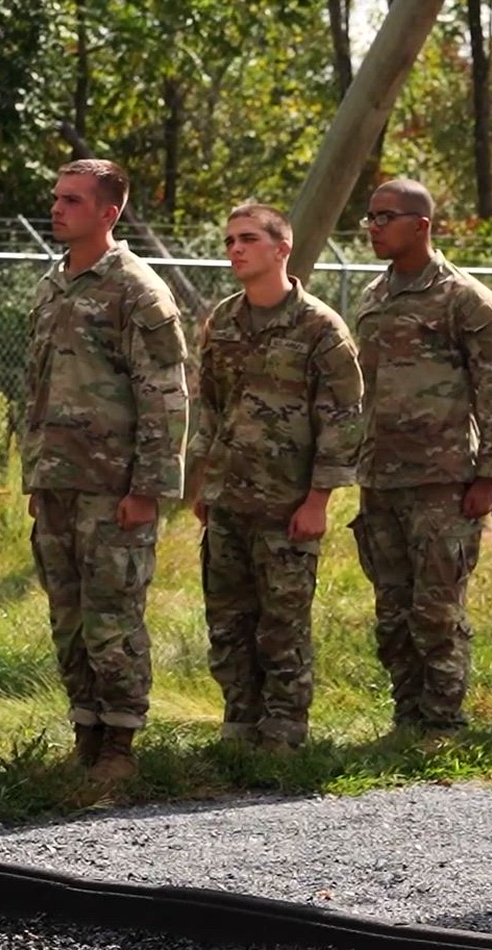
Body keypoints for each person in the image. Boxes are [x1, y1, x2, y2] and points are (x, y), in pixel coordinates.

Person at [23, 160, 190, 791]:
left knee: (113, 615)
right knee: (67, 615)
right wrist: (35, 478)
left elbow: (165, 396)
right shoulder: (52, 287)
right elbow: (36, 389)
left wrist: (148, 489)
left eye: (72, 200)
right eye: (56, 198)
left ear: (107, 214)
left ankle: (120, 744)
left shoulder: (136, 290)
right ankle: (86, 733)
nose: (57, 209)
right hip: (57, 482)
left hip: (113, 486)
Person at [186, 204, 364, 751]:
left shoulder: (319, 328)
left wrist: (318, 500)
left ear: (281, 248)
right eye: (230, 240)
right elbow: (211, 406)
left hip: (287, 506)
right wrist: (202, 481)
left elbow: (342, 416)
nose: (235, 249)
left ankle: (286, 733)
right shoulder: (224, 321)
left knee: (282, 624)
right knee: (228, 621)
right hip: (229, 499)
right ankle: (239, 726)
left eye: (248, 239)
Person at [351, 179, 492, 735]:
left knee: (436, 610)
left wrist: (488, 474)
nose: (372, 227)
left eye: (384, 217)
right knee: (392, 611)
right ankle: (406, 716)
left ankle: (442, 722)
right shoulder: (372, 298)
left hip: (443, 481)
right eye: (369, 218)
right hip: (380, 478)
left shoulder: (465, 300)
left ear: (420, 225)